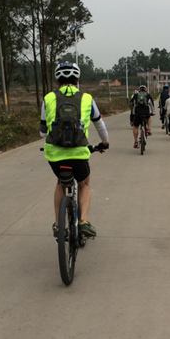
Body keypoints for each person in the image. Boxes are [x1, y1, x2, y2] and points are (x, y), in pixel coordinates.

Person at [40, 62, 109, 238]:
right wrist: (104, 142)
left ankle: (58, 225)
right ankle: (83, 221)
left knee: (60, 183)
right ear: (77, 80)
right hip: (79, 154)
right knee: (84, 183)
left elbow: (42, 133)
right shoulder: (87, 98)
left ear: (57, 81)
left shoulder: (48, 98)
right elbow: (100, 125)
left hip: (55, 156)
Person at [131, 84, 155, 148]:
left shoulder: (136, 96)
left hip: (138, 112)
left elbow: (133, 105)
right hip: (146, 111)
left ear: (139, 90)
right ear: (145, 90)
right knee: (149, 117)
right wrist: (153, 112)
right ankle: (148, 129)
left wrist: (133, 113)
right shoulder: (148, 95)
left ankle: (136, 142)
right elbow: (151, 104)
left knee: (136, 126)